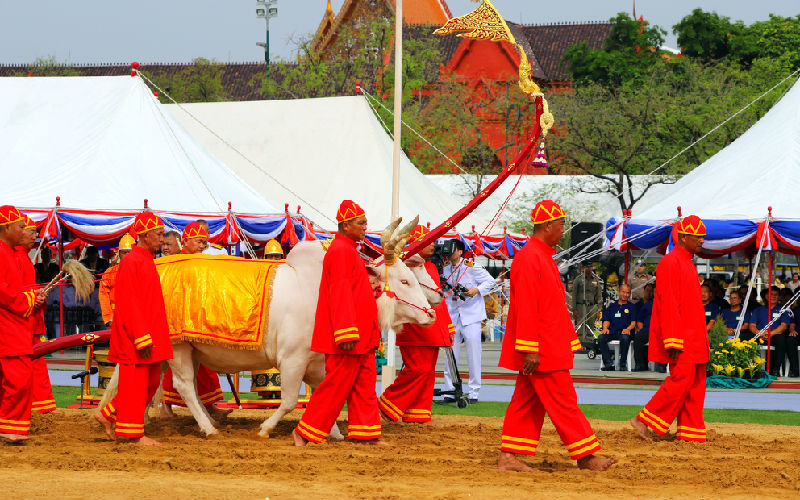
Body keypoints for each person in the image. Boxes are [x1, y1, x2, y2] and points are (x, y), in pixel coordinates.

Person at [497, 200, 616, 472]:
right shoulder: (530, 258)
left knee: (526, 401)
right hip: (543, 348)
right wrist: (530, 348)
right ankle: (586, 455)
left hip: (546, 345)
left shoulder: (541, 255)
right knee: (563, 401)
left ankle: (508, 457)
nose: (564, 230)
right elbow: (526, 307)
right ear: (547, 225)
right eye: (561, 224)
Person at [293, 200, 381, 446]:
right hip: (350, 335)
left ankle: (366, 434)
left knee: (365, 383)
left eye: (365, 222)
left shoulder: (348, 249)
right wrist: (345, 333)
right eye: (361, 223)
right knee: (336, 386)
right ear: (346, 225)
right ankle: (304, 431)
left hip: (362, 334)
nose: (366, 226)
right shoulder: (341, 250)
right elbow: (339, 293)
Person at [93, 212, 173, 446]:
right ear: (146, 235)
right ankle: (132, 434)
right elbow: (127, 303)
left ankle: (107, 413)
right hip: (137, 336)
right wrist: (141, 337)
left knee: (148, 383)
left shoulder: (144, 258)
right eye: (159, 235)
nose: (162, 239)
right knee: (136, 384)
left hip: (149, 333)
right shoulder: (132, 261)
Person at [631, 215, 709, 443]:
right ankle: (644, 419)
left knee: (696, 383)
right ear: (683, 237)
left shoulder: (686, 262)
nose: (702, 241)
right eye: (698, 237)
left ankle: (691, 433)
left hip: (695, 337)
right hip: (683, 336)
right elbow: (668, 304)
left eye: (703, 237)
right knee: (682, 380)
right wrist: (672, 339)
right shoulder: (670, 262)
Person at [378, 225, 453, 424]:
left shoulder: (429, 266)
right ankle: (387, 404)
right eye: (428, 241)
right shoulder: (405, 267)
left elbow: (439, 302)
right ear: (416, 244)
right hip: (415, 326)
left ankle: (418, 413)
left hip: (433, 326)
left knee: (427, 371)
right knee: (417, 369)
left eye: (433, 241)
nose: (433, 245)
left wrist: (448, 327)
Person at [160, 221, 229, 421]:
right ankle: (166, 408)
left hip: (195, 325)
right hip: (177, 325)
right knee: (171, 368)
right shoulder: (177, 264)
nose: (201, 247)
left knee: (203, 368)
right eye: (199, 242)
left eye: (204, 243)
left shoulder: (197, 262)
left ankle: (208, 407)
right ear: (186, 242)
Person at [0, 205, 47, 442]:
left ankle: (10, 426)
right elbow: (4, 291)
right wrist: (28, 299)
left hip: (15, 323)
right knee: (17, 379)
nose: (24, 231)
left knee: (16, 379)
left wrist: (33, 300)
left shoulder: (9, 252)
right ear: (6, 227)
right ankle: (10, 428)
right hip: (8, 326)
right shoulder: (3, 253)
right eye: (20, 227)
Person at [441, 239, 495, 403]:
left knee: (473, 354)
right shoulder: (445, 268)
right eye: (447, 254)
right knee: (450, 355)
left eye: (451, 253)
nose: (449, 257)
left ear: (459, 251)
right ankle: (450, 390)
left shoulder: (472, 266)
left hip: (471, 316)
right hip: (453, 316)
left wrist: (476, 290)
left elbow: (490, 281)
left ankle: (474, 392)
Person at [14, 217, 56, 414]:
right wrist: (33, 297)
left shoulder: (22, 257)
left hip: (29, 316)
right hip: (21, 319)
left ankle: (42, 405)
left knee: (36, 362)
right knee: (31, 363)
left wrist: (37, 295)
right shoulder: (14, 257)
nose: (34, 236)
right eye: (28, 231)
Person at [749, 286, 792, 376]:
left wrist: (770, 333)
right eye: (771, 294)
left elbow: (784, 326)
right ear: (766, 296)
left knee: (781, 339)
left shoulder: (783, 310)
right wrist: (759, 333)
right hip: (760, 334)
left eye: (776, 295)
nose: (773, 296)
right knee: (749, 339)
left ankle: (776, 369)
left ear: (779, 297)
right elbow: (752, 325)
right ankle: (754, 369)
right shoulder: (758, 310)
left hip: (775, 335)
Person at [98, 234, 135, 328]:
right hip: (115, 317)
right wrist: (109, 318)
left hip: (136, 317)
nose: (127, 256)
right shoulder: (110, 272)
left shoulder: (141, 270)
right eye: (124, 252)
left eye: (129, 252)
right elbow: (103, 296)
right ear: (119, 253)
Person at [598, 283, 636, 371]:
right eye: (623, 292)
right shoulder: (612, 306)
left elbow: (634, 323)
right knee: (601, 338)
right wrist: (605, 328)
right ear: (619, 292)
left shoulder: (632, 307)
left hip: (625, 332)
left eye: (628, 293)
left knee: (625, 338)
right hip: (613, 331)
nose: (625, 295)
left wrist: (628, 329)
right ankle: (608, 363)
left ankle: (622, 364)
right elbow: (607, 319)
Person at [571, 262, 602, 345]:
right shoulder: (578, 279)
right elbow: (574, 295)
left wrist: (598, 309)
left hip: (592, 306)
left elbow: (599, 295)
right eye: (587, 267)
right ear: (583, 268)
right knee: (580, 325)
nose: (589, 269)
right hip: (580, 305)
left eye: (590, 267)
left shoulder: (596, 279)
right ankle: (580, 343)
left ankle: (589, 343)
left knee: (591, 325)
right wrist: (574, 309)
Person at [633, 283, 654, 372]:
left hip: (661, 331)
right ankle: (640, 364)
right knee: (638, 337)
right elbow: (640, 320)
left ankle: (662, 365)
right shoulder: (648, 305)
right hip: (648, 330)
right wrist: (641, 330)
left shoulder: (666, 304)